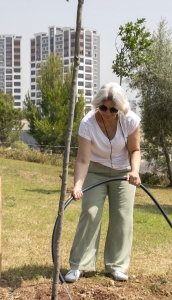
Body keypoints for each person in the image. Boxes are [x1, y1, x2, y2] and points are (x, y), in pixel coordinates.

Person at [64, 82, 141, 283]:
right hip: (95, 171)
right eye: (103, 108)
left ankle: (116, 266)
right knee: (90, 213)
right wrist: (78, 185)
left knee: (122, 217)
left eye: (113, 109)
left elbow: (134, 150)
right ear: (98, 105)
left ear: (120, 108)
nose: (107, 112)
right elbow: (82, 159)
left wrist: (134, 171)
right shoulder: (87, 124)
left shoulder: (130, 120)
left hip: (123, 172)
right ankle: (78, 265)